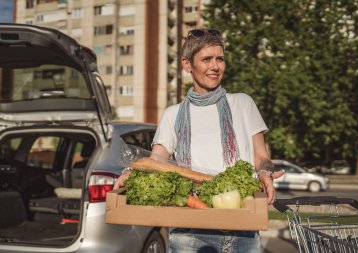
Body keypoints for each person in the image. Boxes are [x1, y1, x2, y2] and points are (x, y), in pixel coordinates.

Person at [114, 28, 284, 253]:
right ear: (187, 64)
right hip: (190, 230)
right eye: (207, 59)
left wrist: (265, 172)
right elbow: (156, 163)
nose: (215, 67)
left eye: (220, 59)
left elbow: (261, 156)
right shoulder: (172, 115)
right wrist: (133, 175)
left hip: (242, 225)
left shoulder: (243, 104)